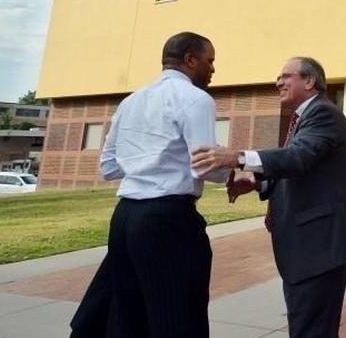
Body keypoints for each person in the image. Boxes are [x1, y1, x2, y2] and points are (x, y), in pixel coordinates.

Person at [191, 56, 346, 338]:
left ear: (309, 81)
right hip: (309, 247)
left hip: (318, 245)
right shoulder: (304, 117)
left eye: (286, 76)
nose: (278, 82)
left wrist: (237, 157)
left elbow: (297, 159)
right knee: (306, 325)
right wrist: (257, 185)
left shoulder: (323, 114)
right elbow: (301, 172)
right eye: (278, 77)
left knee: (311, 330)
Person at [73, 31, 229, 338]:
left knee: (127, 312)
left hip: (124, 217)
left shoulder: (131, 101)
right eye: (209, 61)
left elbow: (109, 166)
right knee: (178, 313)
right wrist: (230, 172)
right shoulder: (197, 99)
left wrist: (144, 165)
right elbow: (205, 164)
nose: (213, 69)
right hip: (167, 217)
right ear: (189, 59)